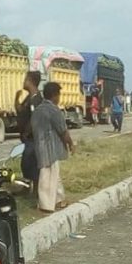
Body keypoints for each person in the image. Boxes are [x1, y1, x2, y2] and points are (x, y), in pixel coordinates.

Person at [31, 82, 75, 214]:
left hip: (39, 145)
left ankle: (59, 200)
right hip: (51, 148)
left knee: (54, 174)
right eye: (59, 95)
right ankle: (46, 204)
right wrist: (70, 144)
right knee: (47, 175)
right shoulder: (54, 110)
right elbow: (63, 131)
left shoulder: (38, 110)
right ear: (55, 95)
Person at [15, 71, 44, 185]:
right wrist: (16, 98)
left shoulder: (36, 99)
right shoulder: (29, 97)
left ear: (31, 81)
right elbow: (20, 110)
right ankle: (30, 188)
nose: (23, 82)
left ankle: (35, 190)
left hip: (33, 139)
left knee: (30, 164)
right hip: (27, 139)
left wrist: (26, 133)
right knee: (26, 164)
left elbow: (35, 118)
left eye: (25, 79)